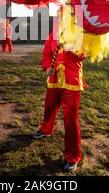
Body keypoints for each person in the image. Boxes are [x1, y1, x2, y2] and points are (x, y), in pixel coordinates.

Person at [32, 29, 87, 173]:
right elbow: (46, 53)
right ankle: (46, 129)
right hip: (54, 78)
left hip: (71, 81)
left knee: (70, 119)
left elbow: (80, 56)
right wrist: (46, 67)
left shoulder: (78, 34)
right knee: (49, 107)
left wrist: (67, 45)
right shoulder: (52, 35)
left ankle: (73, 156)